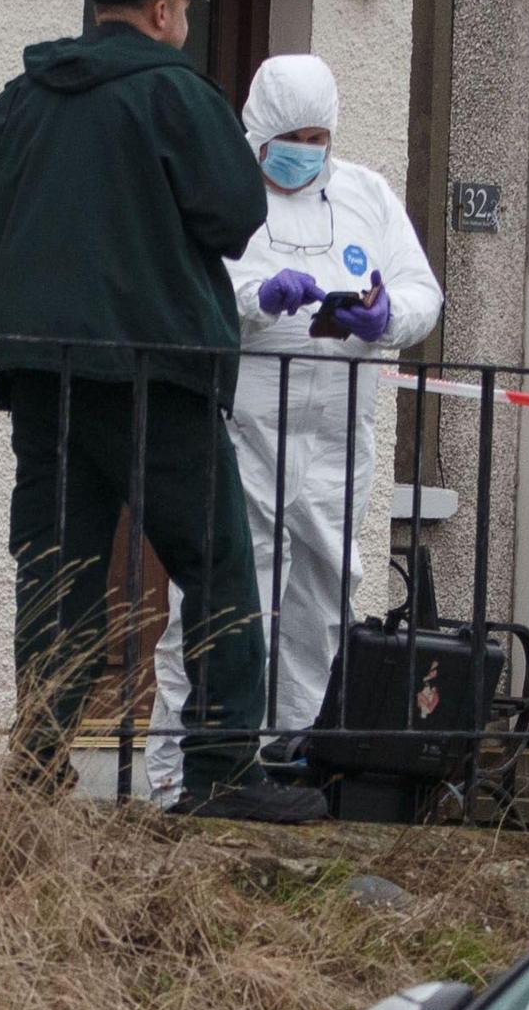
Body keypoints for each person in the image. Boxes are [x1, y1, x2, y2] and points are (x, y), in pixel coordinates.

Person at [0, 0, 325, 824]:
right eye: (183, 9)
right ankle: (223, 772)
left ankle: (37, 769)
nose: (184, 21)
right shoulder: (176, 96)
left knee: (55, 570)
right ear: (160, 10)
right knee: (217, 561)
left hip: (42, 376)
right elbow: (233, 215)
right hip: (156, 375)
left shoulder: (24, 98)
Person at [145, 54, 444, 805]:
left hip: (338, 431)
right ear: (260, 132)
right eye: (292, 136)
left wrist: (384, 318)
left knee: (323, 595)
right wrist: (261, 298)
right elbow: (195, 282)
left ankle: (296, 756)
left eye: (318, 136)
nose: (305, 150)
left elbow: (418, 290)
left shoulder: (365, 195)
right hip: (244, 421)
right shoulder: (228, 194)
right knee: (221, 597)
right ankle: (183, 773)